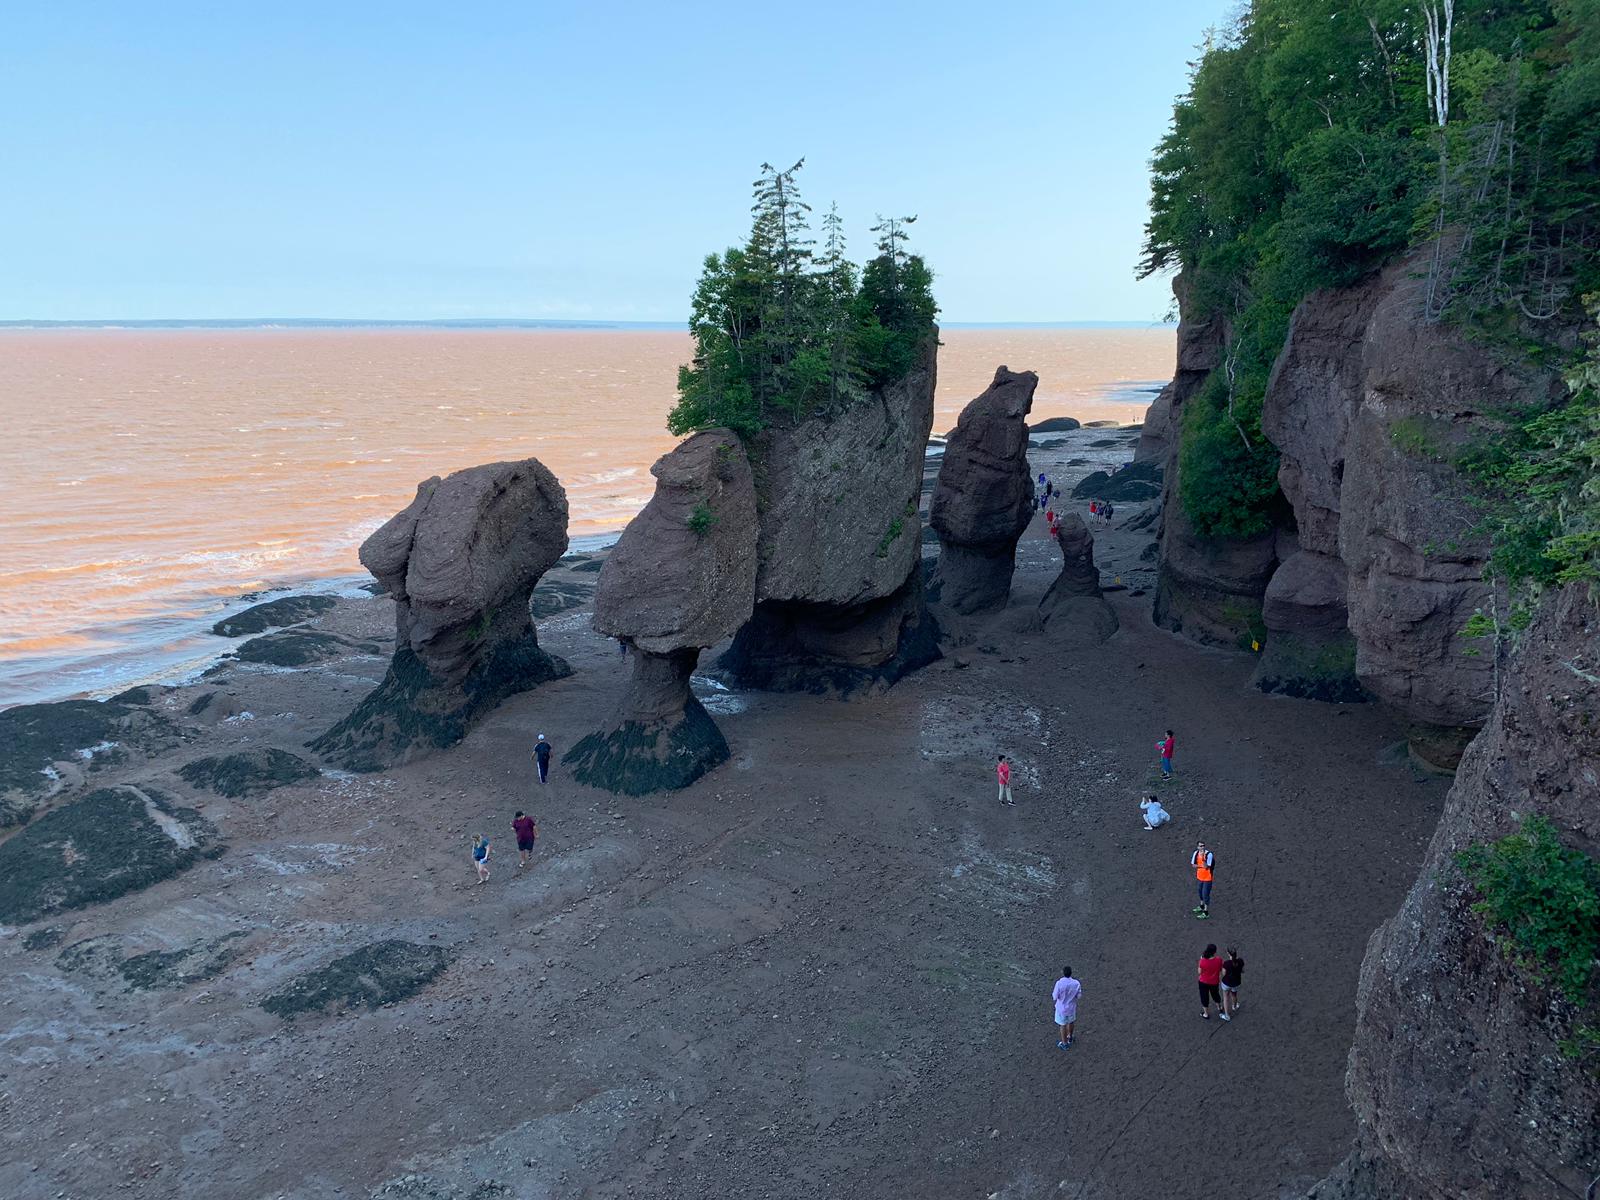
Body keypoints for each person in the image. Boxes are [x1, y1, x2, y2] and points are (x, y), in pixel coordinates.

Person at [1052, 966, 1081, 1049]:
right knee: (1071, 1022)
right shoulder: (1076, 983)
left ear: (1063, 973)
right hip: (1071, 1007)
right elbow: (1079, 996)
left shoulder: (1059, 983)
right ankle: (1070, 1037)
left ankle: (1064, 1043)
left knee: (1062, 1025)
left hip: (1061, 1009)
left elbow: (1054, 997)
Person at [1197, 943, 1225, 1019]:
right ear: (1214, 952)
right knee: (1215, 994)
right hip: (1214, 981)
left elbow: (1199, 972)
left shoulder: (1202, 961)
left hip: (1203, 982)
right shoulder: (1219, 960)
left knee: (1204, 997)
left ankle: (1206, 1014)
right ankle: (1220, 1007)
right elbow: (1220, 970)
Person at [1191, 841, 1215, 918]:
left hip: (1207, 878)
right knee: (1200, 892)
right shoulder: (1195, 853)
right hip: (1200, 877)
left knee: (1205, 894)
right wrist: (1201, 865)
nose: (1202, 847)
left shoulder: (1209, 854)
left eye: (1203, 846)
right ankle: (1201, 906)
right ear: (1197, 847)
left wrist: (1203, 858)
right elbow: (1193, 865)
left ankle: (1206, 912)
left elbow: (1207, 866)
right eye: (1200, 846)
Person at [1220, 947, 1245, 1020]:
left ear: (1228, 954)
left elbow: (1223, 974)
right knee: (1234, 994)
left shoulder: (1226, 963)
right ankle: (1234, 1006)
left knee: (1226, 997)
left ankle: (1227, 1015)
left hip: (1226, 983)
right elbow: (1242, 971)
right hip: (1236, 982)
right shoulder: (1240, 961)